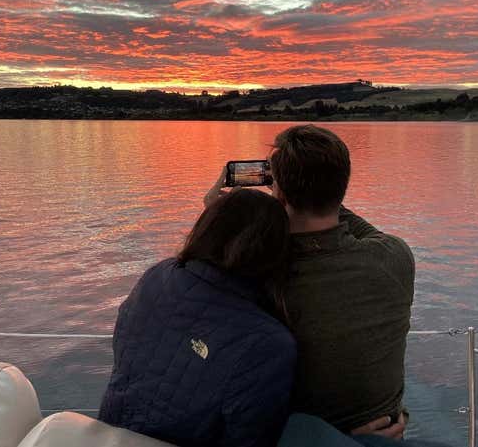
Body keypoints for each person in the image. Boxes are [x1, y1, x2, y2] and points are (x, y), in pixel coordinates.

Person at [98, 189, 297, 447]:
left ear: (207, 230)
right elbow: (252, 439)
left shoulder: (157, 277)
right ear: (275, 253)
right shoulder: (269, 344)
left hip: (113, 434)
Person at [268, 124, 416, 440]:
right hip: (385, 433)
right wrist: (319, 181)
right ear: (343, 185)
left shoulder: (260, 274)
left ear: (278, 191)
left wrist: (228, 214)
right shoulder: (394, 259)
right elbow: (360, 228)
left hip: (301, 438)